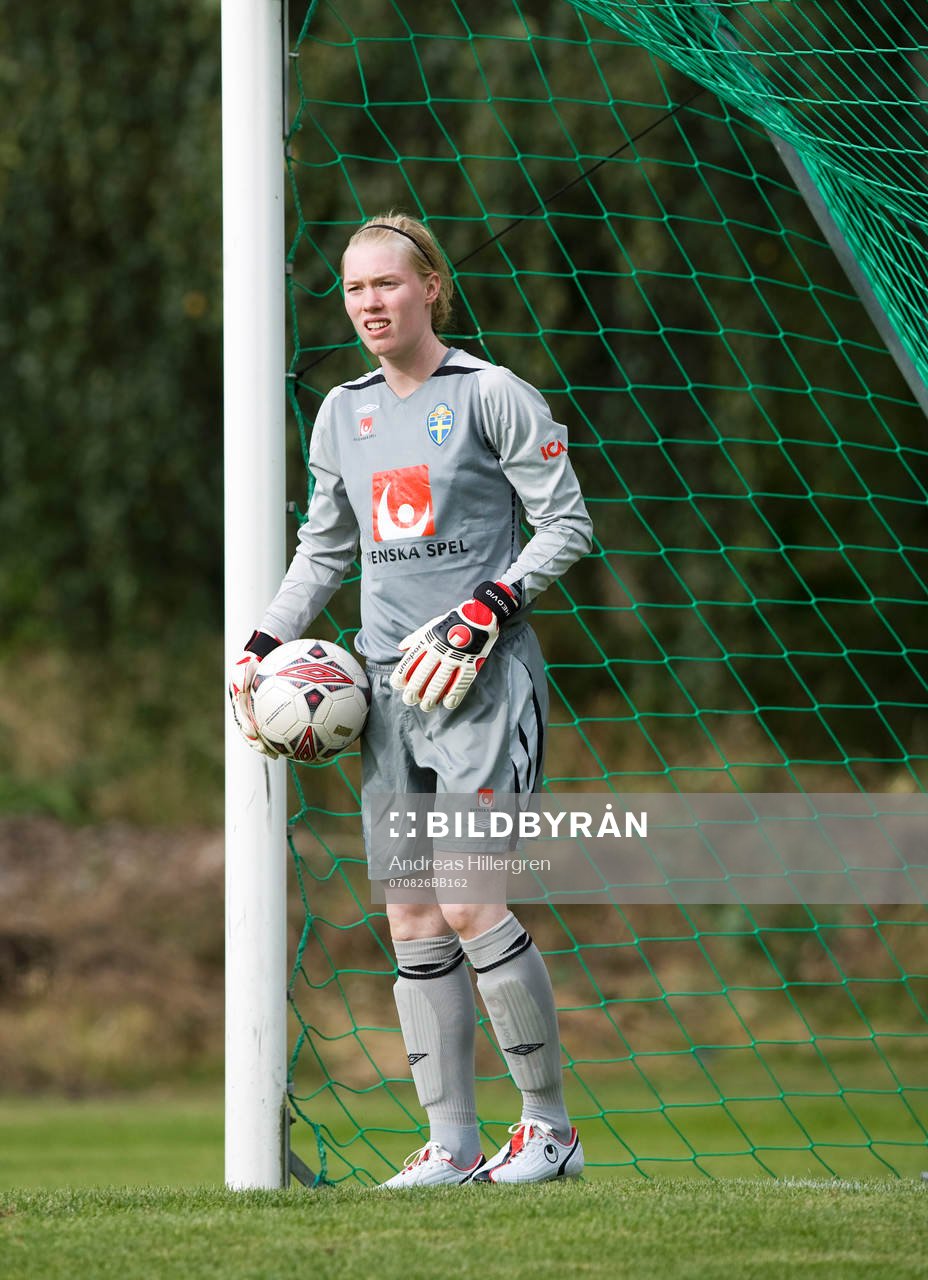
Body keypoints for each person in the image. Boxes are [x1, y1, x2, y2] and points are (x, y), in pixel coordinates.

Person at [229, 213, 593, 1187]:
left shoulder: (493, 395)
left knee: (473, 901)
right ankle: (451, 1143)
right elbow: (326, 547)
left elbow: (565, 523)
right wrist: (263, 641)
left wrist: (485, 609)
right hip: (386, 693)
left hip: (478, 683)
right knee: (413, 920)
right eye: (353, 290)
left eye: (387, 284)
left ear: (430, 286)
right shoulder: (339, 412)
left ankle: (550, 1131)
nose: (369, 304)